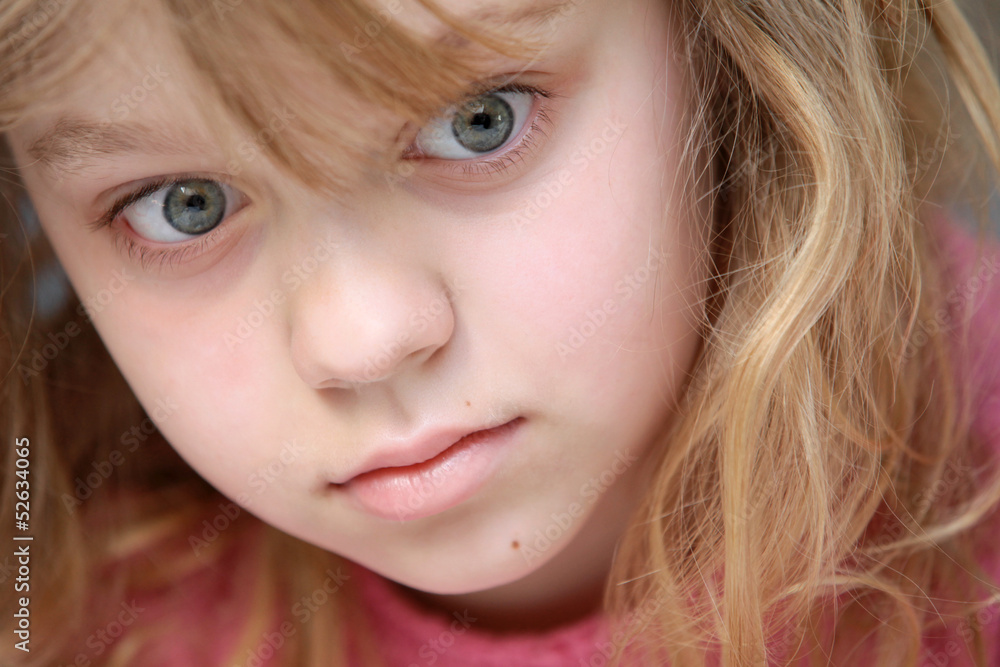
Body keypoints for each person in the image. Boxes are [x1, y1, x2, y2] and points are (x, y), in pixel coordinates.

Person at [2, 0, 1000, 664]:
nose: (362, 339)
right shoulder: (87, 616)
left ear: (713, 35)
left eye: (480, 119)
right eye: (187, 205)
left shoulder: (975, 473)